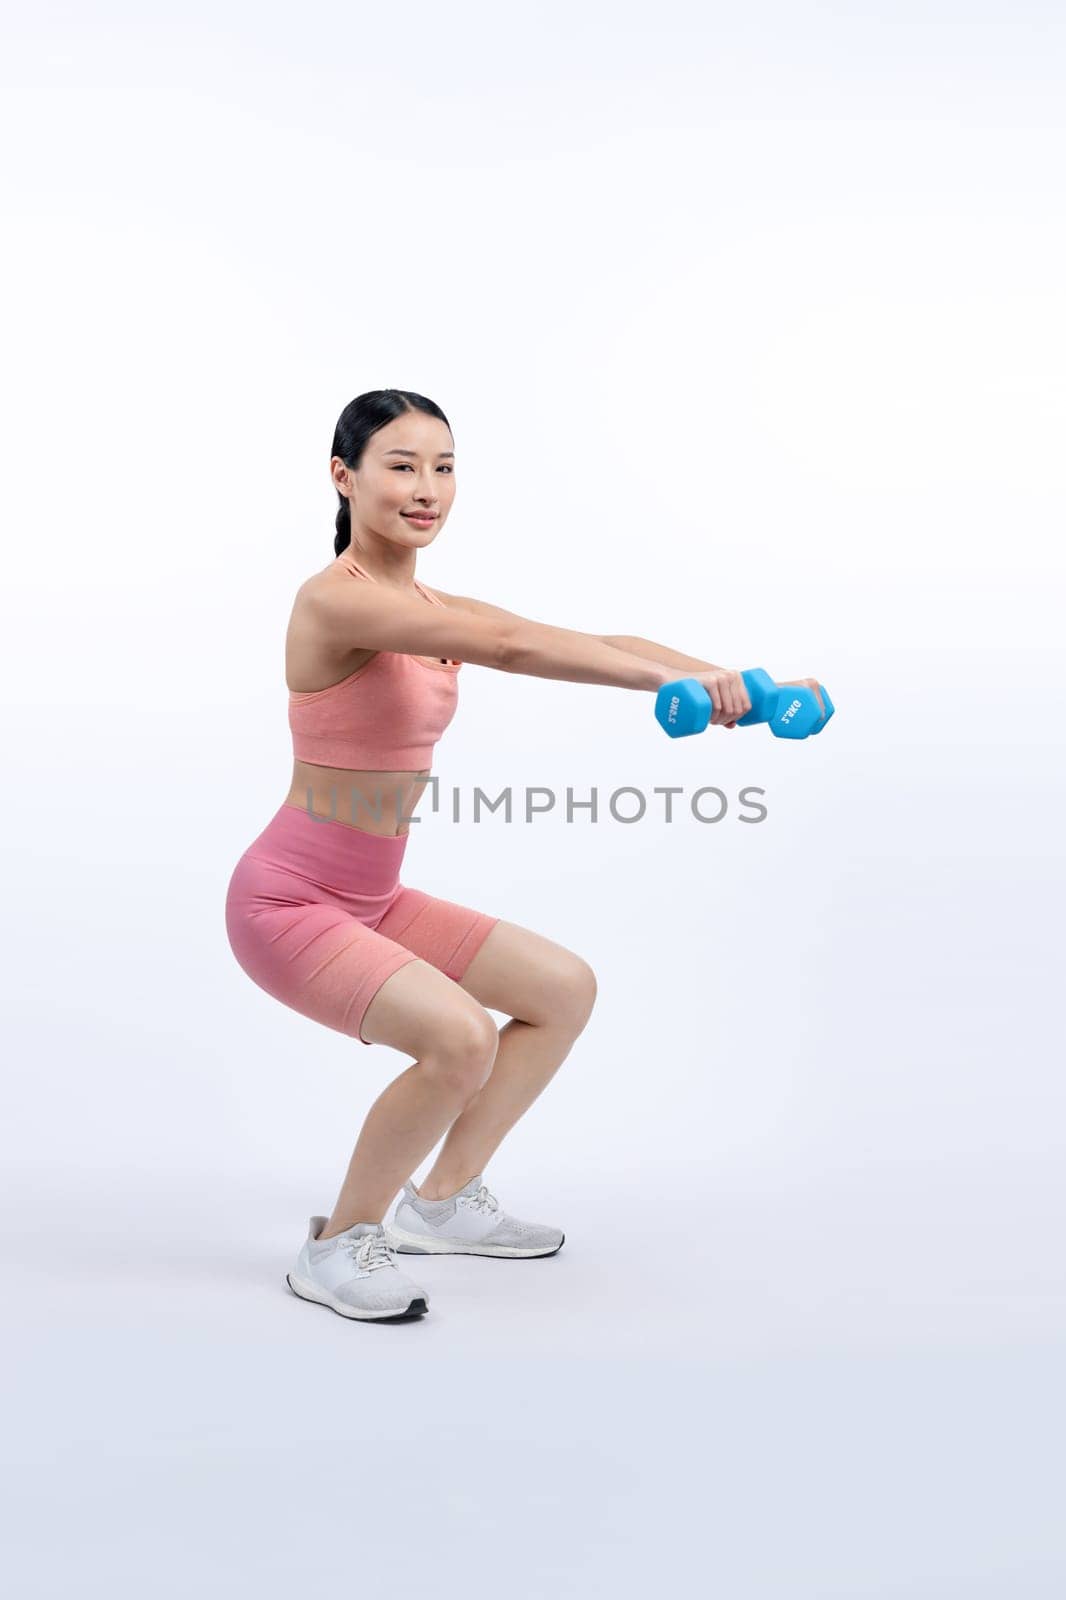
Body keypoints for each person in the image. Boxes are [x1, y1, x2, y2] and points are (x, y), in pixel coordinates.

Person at [224, 386, 766, 1325]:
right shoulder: (334, 602)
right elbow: (512, 647)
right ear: (343, 477)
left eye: (444, 466)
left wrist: (740, 685)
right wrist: (672, 682)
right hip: (289, 902)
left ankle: (439, 1203)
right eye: (401, 466)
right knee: (459, 1037)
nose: (427, 488)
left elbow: (588, 640)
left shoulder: (425, 599)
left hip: (369, 897)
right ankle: (336, 1246)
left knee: (562, 989)